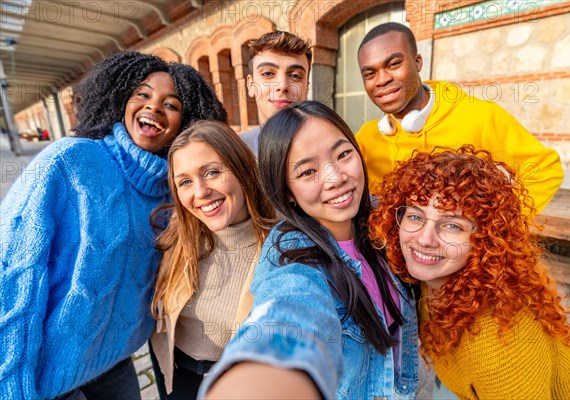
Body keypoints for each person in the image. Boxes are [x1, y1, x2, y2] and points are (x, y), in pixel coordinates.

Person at [0, 51, 227, 400]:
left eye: (172, 104)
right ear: (121, 98)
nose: (154, 108)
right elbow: (14, 273)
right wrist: (11, 381)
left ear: (185, 121)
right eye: (143, 94)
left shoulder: (179, 192)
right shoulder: (68, 161)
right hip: (44, 373)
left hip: (113, 363)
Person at [199, 101, 419, 399]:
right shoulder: (290, 254)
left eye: (343, 154)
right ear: (287, 192)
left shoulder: (386, 217)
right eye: (307, 172)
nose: (335, 178)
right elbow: (290, 309)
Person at [369, 145, 570, 399]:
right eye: (415, 216)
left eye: (452, 225)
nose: (424, 239)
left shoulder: (498, 344)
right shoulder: (432, 279)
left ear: (485, 238)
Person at [355, 22, 563, 212]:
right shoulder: (366, 136)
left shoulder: (480, 116)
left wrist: (498, 224)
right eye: (370, 74)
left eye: (393, 64)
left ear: (417, 63)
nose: (381, 80)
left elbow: (544, 170)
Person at [148, 120, 276, 399]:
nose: (200, 192)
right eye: (185, 182)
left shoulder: (279, 246)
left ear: (242, 169)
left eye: (212, 172)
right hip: (176, 370)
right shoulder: (179, 236)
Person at [239, 30, 312, 156]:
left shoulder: (328, 147)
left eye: (295, 76)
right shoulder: (235, 153)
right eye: (268, 73)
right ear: (251, 85)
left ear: (306, 89)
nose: (282, 86)